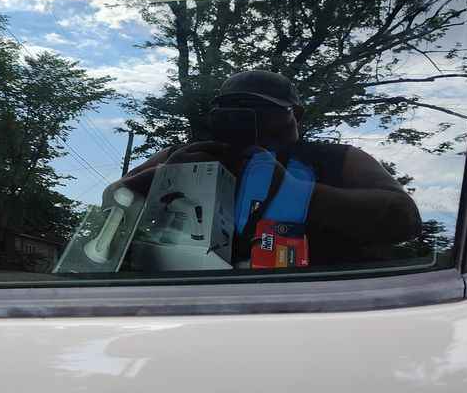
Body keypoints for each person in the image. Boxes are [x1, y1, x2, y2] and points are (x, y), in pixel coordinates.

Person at [114, 69, 422, 268]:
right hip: (179, 304)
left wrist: (295, 191)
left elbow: (406, 219)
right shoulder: (184, 154)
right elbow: (110, 206)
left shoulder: (334, 159)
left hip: (309, 311)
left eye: (264, 109)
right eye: (233, 108)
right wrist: (164, 176)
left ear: (296, 114)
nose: (250, 117)